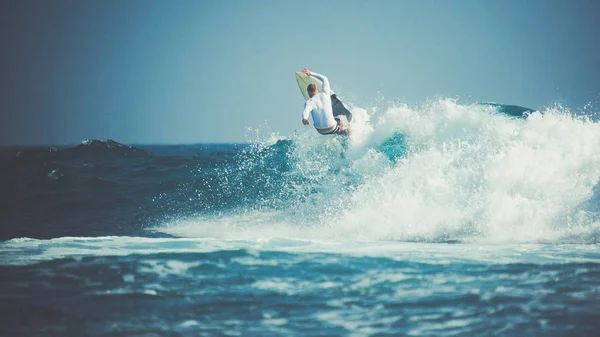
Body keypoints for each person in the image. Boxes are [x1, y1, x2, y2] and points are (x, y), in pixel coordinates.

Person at [301, 68, 349, 135]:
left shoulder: (309, 102)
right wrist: (310, 73)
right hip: (331, 127)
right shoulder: (325, 93)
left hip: (321, 131)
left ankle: (337, 133)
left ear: (308, 93)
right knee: (343, 118)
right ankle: (348, 135)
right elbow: (324, 78)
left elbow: (306, 111)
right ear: (317, 89)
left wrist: (304, 119)